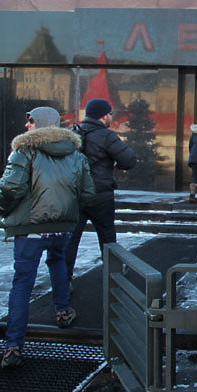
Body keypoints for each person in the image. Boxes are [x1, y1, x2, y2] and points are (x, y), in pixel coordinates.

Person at [0, 107, 95, 369]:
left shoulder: (24, 151)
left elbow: (11, 187)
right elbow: (88, 193)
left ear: (39, 123)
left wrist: (3, 210)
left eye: (30, 120)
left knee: (22, 283)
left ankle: (14, 346)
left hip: (31, 229)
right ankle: (63, 311)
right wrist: (68, 213)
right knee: (57, 260)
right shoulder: (76, 154)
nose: (26, 125)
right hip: (63, 227)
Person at [65, 98, 136, 285]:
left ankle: (64, 280)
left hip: (75, 194)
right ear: (104, 116)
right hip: (100, 194)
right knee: (107, 236)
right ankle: (114, 275)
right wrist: (117, 165)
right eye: (110, 114)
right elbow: (129, 160)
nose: (111, 117)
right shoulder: (106, 136)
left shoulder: (72, 134)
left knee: (71, 240)